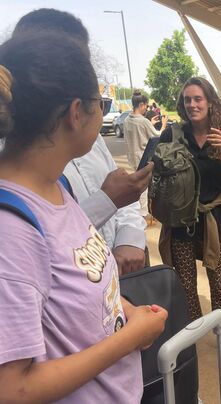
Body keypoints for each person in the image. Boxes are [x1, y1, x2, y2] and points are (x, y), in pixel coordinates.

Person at [0, 30, 167, 403]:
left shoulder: (54, 186)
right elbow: (13, 389)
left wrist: (126, 312)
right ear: (77, 113)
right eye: (101, 105)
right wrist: (130, 338)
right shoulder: (11, 230)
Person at [12, 8, 152, 276]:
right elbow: (38, 242)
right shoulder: (15, 167)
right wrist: (107, 200)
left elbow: (122, 191)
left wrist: (130, 237)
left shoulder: (90, 140)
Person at [157, 77, 221, 366]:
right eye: (187, 99)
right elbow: (154, 173)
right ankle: (192, 332)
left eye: (197, 99)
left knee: (218, 279)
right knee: (184, 282)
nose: (192, 105)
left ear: (210, 102)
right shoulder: (173, 135)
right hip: (182, 221)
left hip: (216, 220)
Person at [124, 91, 167, 224]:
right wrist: (164, 124)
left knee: (140, 183)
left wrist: (150, 123)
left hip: (132, 157)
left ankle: (142, 213)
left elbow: (141, 130)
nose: (146, 108)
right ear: (141, 105)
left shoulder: (127, 119)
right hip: (143, 157)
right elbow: (157, 135)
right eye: (146, 106)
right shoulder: (143, 121)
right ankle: (142, 215)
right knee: (144, 186)